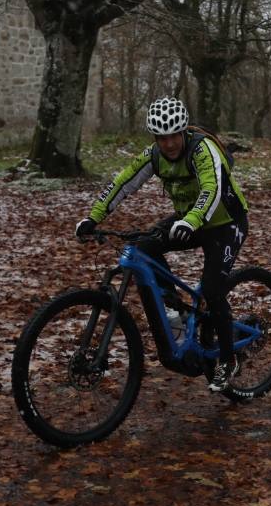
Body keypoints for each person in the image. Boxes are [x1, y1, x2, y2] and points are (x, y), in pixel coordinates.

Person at [75, 97, 249, 392]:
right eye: (161, 137)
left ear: (183, 131)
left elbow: (212, 188)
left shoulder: (202, 150)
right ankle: (175, 310)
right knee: (144, 248)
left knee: (211, 288)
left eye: (173, 135)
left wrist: (191, 221)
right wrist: (93, 217)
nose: (168, 144)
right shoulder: (154, 155)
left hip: (224, 223)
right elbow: (123, 182)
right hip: (189, 220)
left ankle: (228, 359)